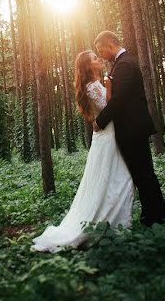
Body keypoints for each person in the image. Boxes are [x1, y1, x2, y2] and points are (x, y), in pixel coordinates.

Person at [31, 49, 134, 252]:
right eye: (94, 59)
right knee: (116, 178)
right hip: (108, 136)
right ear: (88, 66)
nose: (99, 59)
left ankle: (116, 222)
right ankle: (110, 224)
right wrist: (109, 86)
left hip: (108, 133)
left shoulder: (94, 84)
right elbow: (108, 107)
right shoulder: (93, 86)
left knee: (115, 177)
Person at [93, 30, 165, 227]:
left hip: (133, 129)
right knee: (141, 174)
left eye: (101, 49)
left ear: (110, 44)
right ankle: (152, 214)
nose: (101, 54)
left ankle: (156, 217)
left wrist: (100, 121)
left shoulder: (125, 64)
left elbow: (119, 99)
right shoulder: (120, 63)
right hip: (130, 128)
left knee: (143, 174)